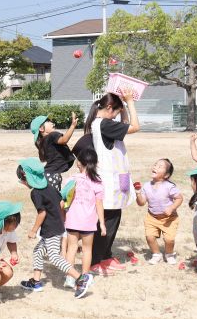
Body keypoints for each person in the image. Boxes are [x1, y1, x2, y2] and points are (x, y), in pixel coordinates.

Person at [72, 90, 140, 276]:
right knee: (107, 223)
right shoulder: (103, 124)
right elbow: (134, 126)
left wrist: (124, 105)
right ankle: (96, 261)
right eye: (117, 112)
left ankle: (105, 256)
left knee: (112, 219)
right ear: (109, 108)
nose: (118, 115)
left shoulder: (103, 124)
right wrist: (130, 102)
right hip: (109, 182)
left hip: (115, 179)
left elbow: (125, 126)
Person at [17, 158, 90, 299]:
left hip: (51, 229)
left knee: (54, 257)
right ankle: (36, 281)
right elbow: (61, 202)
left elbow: (42, 213)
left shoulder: (35, 193)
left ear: (27, 177)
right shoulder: (50, 187)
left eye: (21, 179)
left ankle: (80, 278)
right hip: (56, 226)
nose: (22, 183)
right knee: (38, 251)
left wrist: (33, 230)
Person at [62, 149, 103, 296]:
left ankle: (69, 277)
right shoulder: (97, 182)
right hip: (88, 221)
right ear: (95, 163)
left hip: (72, 220)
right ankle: (85, 276)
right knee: (87, 250)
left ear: (78, 163)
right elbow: (99, 204)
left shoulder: (70, 179)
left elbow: (64, 200)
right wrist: (102, 224)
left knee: (71, 248)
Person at [135, 158, 183, 264]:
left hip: (169, 219)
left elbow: (179, 198)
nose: (155, 167)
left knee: (169, 240)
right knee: (149, 237)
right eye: (155, 165)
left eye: (160, 167)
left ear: (166, 175)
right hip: (152, 217)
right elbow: (141, 203)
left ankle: (169, 254)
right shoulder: (147, 186)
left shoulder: (169, 186)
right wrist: (138, 193)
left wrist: (171, 208)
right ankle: (156, 254)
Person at [30, 112, 78, 192]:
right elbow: (64, 140)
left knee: (52, 198)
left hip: (48, 175)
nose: (52, 123)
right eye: (48, 121)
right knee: (55, 199)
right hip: (52, 175)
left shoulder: (43, 142)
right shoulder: (52, 135)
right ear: (41, 128)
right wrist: (72, 126)